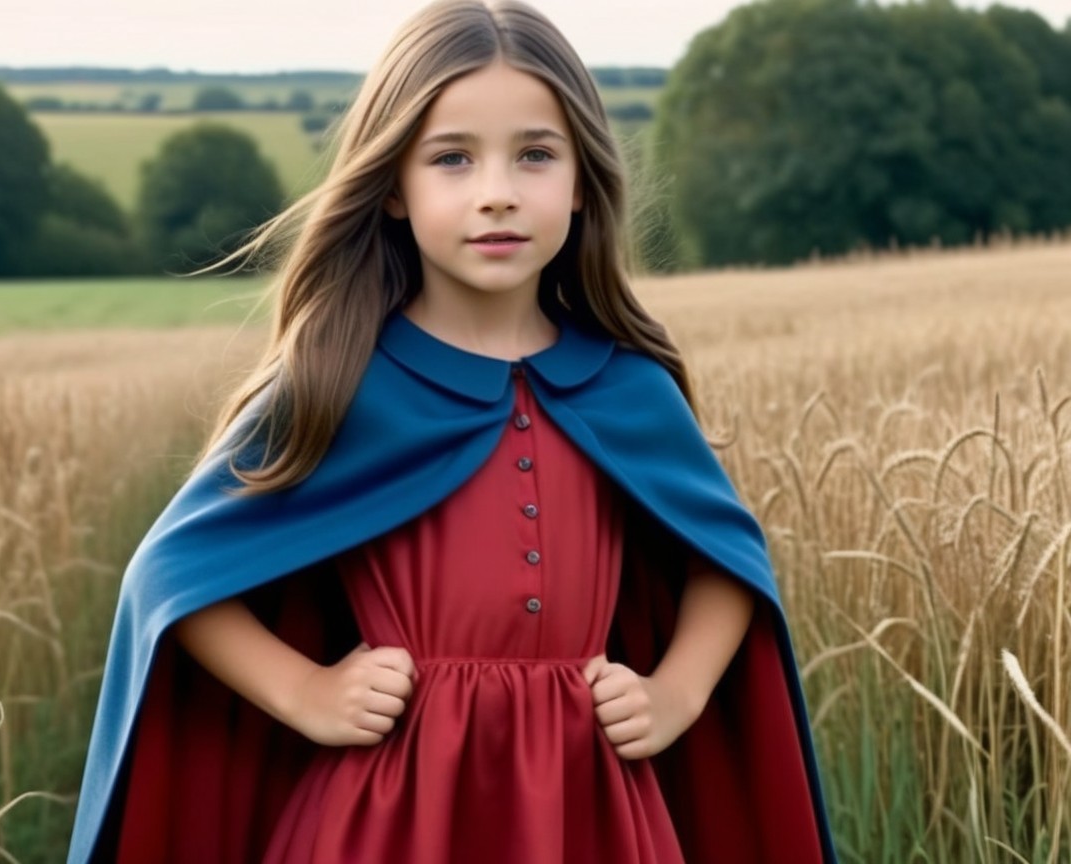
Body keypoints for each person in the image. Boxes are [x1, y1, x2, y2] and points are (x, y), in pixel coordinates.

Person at [67, 1, 836, 861]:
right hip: (386, 817)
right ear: (394, 186)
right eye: (453, 159)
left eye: (536, 155)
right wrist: (307, 693)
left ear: (583, 181)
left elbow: (728, 558)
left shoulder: (629, 388)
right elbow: (169, 574)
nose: (497, 191)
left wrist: (678, 694)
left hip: (593, 811)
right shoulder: (338, 382)